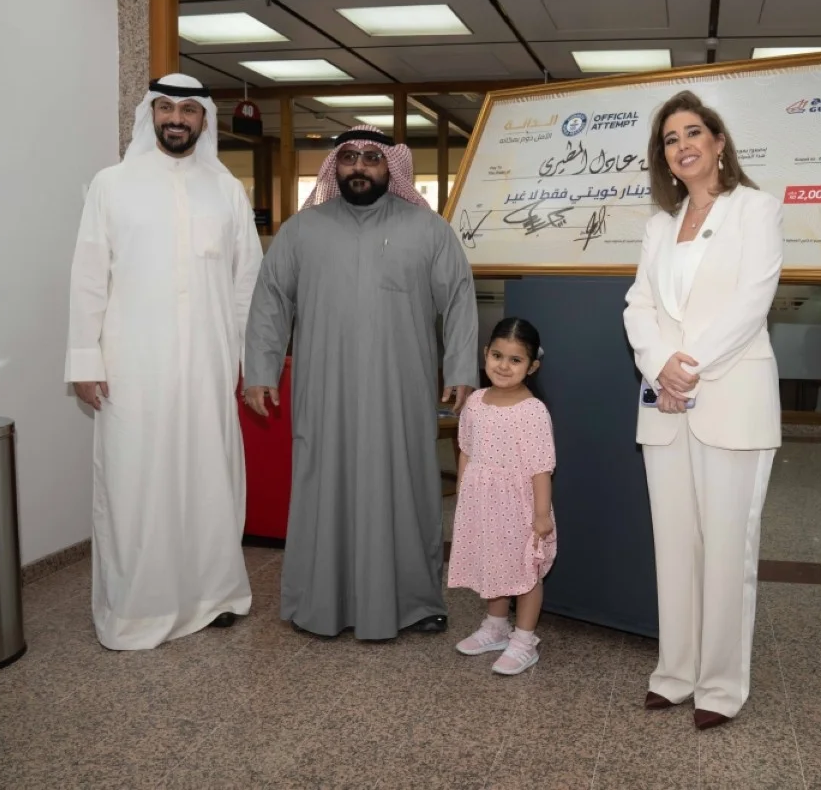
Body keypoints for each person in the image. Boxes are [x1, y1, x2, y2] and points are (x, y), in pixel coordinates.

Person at [243, 124, 479, 641]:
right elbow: (270, 300)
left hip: (401, 389)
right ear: (336, 166)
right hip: (324, 390)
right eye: (349, 156)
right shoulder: (302, 231)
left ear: (391, 166)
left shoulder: (428, 229)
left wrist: (462, 368)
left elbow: (460, 298)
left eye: (372, 157)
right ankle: (318, 602)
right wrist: (260, 371)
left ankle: (416, 602)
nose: (359, 166)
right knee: (323, 484)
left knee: (406, 485)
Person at [64, 73, 262, 650]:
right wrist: (84, 360)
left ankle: (215, 595)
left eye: (188, 110)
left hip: (208, 364)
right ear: (150, 114)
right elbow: (87, 276)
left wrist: (248, 361)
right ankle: (136, 610)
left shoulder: (225, 189)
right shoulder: (112, 185)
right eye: (166, 108)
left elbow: (247, 283)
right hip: (132, 364)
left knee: (208, 478)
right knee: (135, 481)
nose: (177, 118)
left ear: (204, 119)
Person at [622, 90, 783, 730]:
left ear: (718, 143)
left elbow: (752, 302)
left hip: (731, 396)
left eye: (693, 132)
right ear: (663, 156)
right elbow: (638, 305)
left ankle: (719, 685)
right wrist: (658, 364)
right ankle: (676, 673)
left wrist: (685, 369)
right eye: (670, 138)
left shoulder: (756, 209)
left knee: (725, 548)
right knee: (675, 546)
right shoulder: (659, 226)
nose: (682, 145)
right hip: (664, 405)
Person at [448, 317, 556, 675]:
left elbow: (541, 468)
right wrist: (463, 492)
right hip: (482, 504)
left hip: (519, 508)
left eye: (515, 360)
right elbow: (466, 450)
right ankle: (495, 627)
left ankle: (524, 641)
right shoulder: (475, 402)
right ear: (485, 354)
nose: (504, 366)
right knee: (493, 563)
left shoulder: (532, 411)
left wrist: (541, 515)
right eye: (497, 356)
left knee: (525, 572)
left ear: (532, 366)